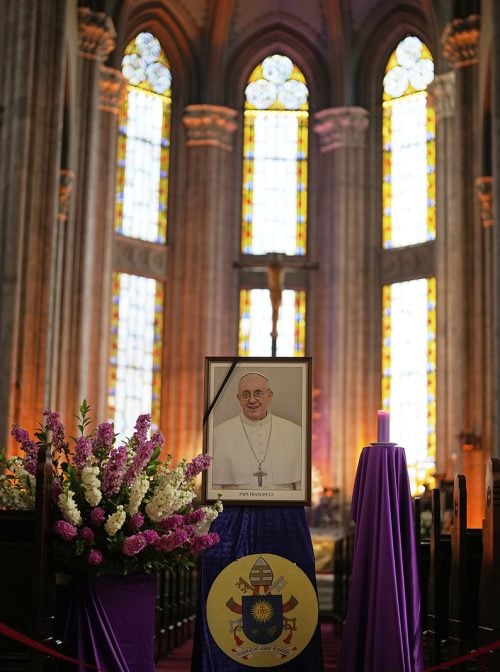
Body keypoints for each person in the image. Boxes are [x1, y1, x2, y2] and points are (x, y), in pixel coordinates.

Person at [211, 371, 302, 490]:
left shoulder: (294, 432)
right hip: (237, 508)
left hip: (282, 508)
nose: (252, 400)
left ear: (269, 396)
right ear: (238, 398)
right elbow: (213, 489)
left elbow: (301, 488)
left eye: (258, 393)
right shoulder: (219, 434)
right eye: (246, 394)